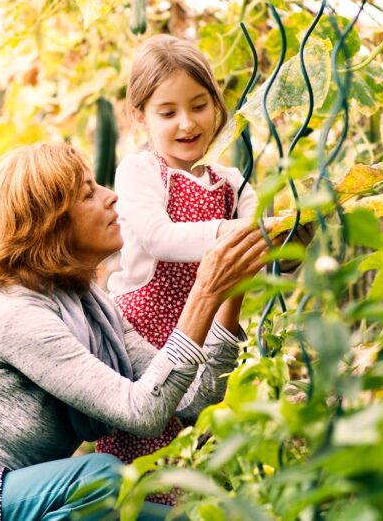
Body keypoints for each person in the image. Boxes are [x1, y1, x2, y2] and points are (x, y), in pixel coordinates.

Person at [0, 143, 268, 520]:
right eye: (89, 193)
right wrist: (204, 292)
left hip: (4, 499)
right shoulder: (14, 312)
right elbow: (142, 412)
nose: (112, 197)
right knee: (102, 479)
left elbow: (192, 402)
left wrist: (231, 289)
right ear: (50, 223)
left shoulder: (89, 304)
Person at [96, 36, 258, 498]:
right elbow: (157, 237)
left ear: (216, 105)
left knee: (198, 461)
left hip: (207, 338)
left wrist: (287, 235)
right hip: (142, 340)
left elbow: (264, 254)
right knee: (147, 465)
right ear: (139, 116)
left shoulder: (232, 182)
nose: (187, 123)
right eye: (167, 113)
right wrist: (235, 234)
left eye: (199, 105)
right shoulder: (140, 170)